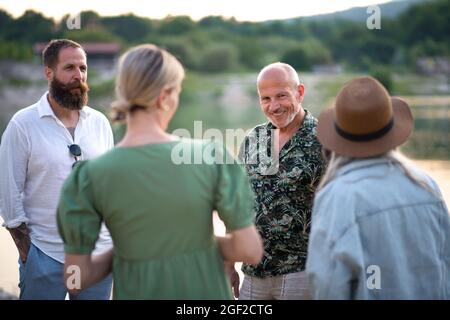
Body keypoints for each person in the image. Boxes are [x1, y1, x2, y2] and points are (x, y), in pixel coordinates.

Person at [56, 44, 263, 300]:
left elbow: (75, 280)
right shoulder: (211, 156)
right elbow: (250, 250)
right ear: (164, 96)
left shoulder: (88, 177)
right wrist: (199, 246)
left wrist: (124, 252)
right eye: (176, 91)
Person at [306, 76, 450, 299]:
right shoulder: (426, 185)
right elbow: (444, 267)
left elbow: (327, 285)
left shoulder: (338, 196)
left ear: (338, 137)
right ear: (391, 129)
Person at [0, 39, 113, 299]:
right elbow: (8, 191)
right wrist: (28, 252)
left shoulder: (100, 122)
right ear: (49, 72)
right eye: (70, 68)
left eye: (83, 68)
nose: (79, 76)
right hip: (44, 254)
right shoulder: (23, 124)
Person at [236, 62, 326, 300]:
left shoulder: (325, 139)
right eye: (265, 98)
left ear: (300, 92)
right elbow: (237, 201)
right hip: (253, 272)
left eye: (281, 96)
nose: (274, 106)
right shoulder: (254, 138)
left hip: (303, 272)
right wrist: (228, 262)